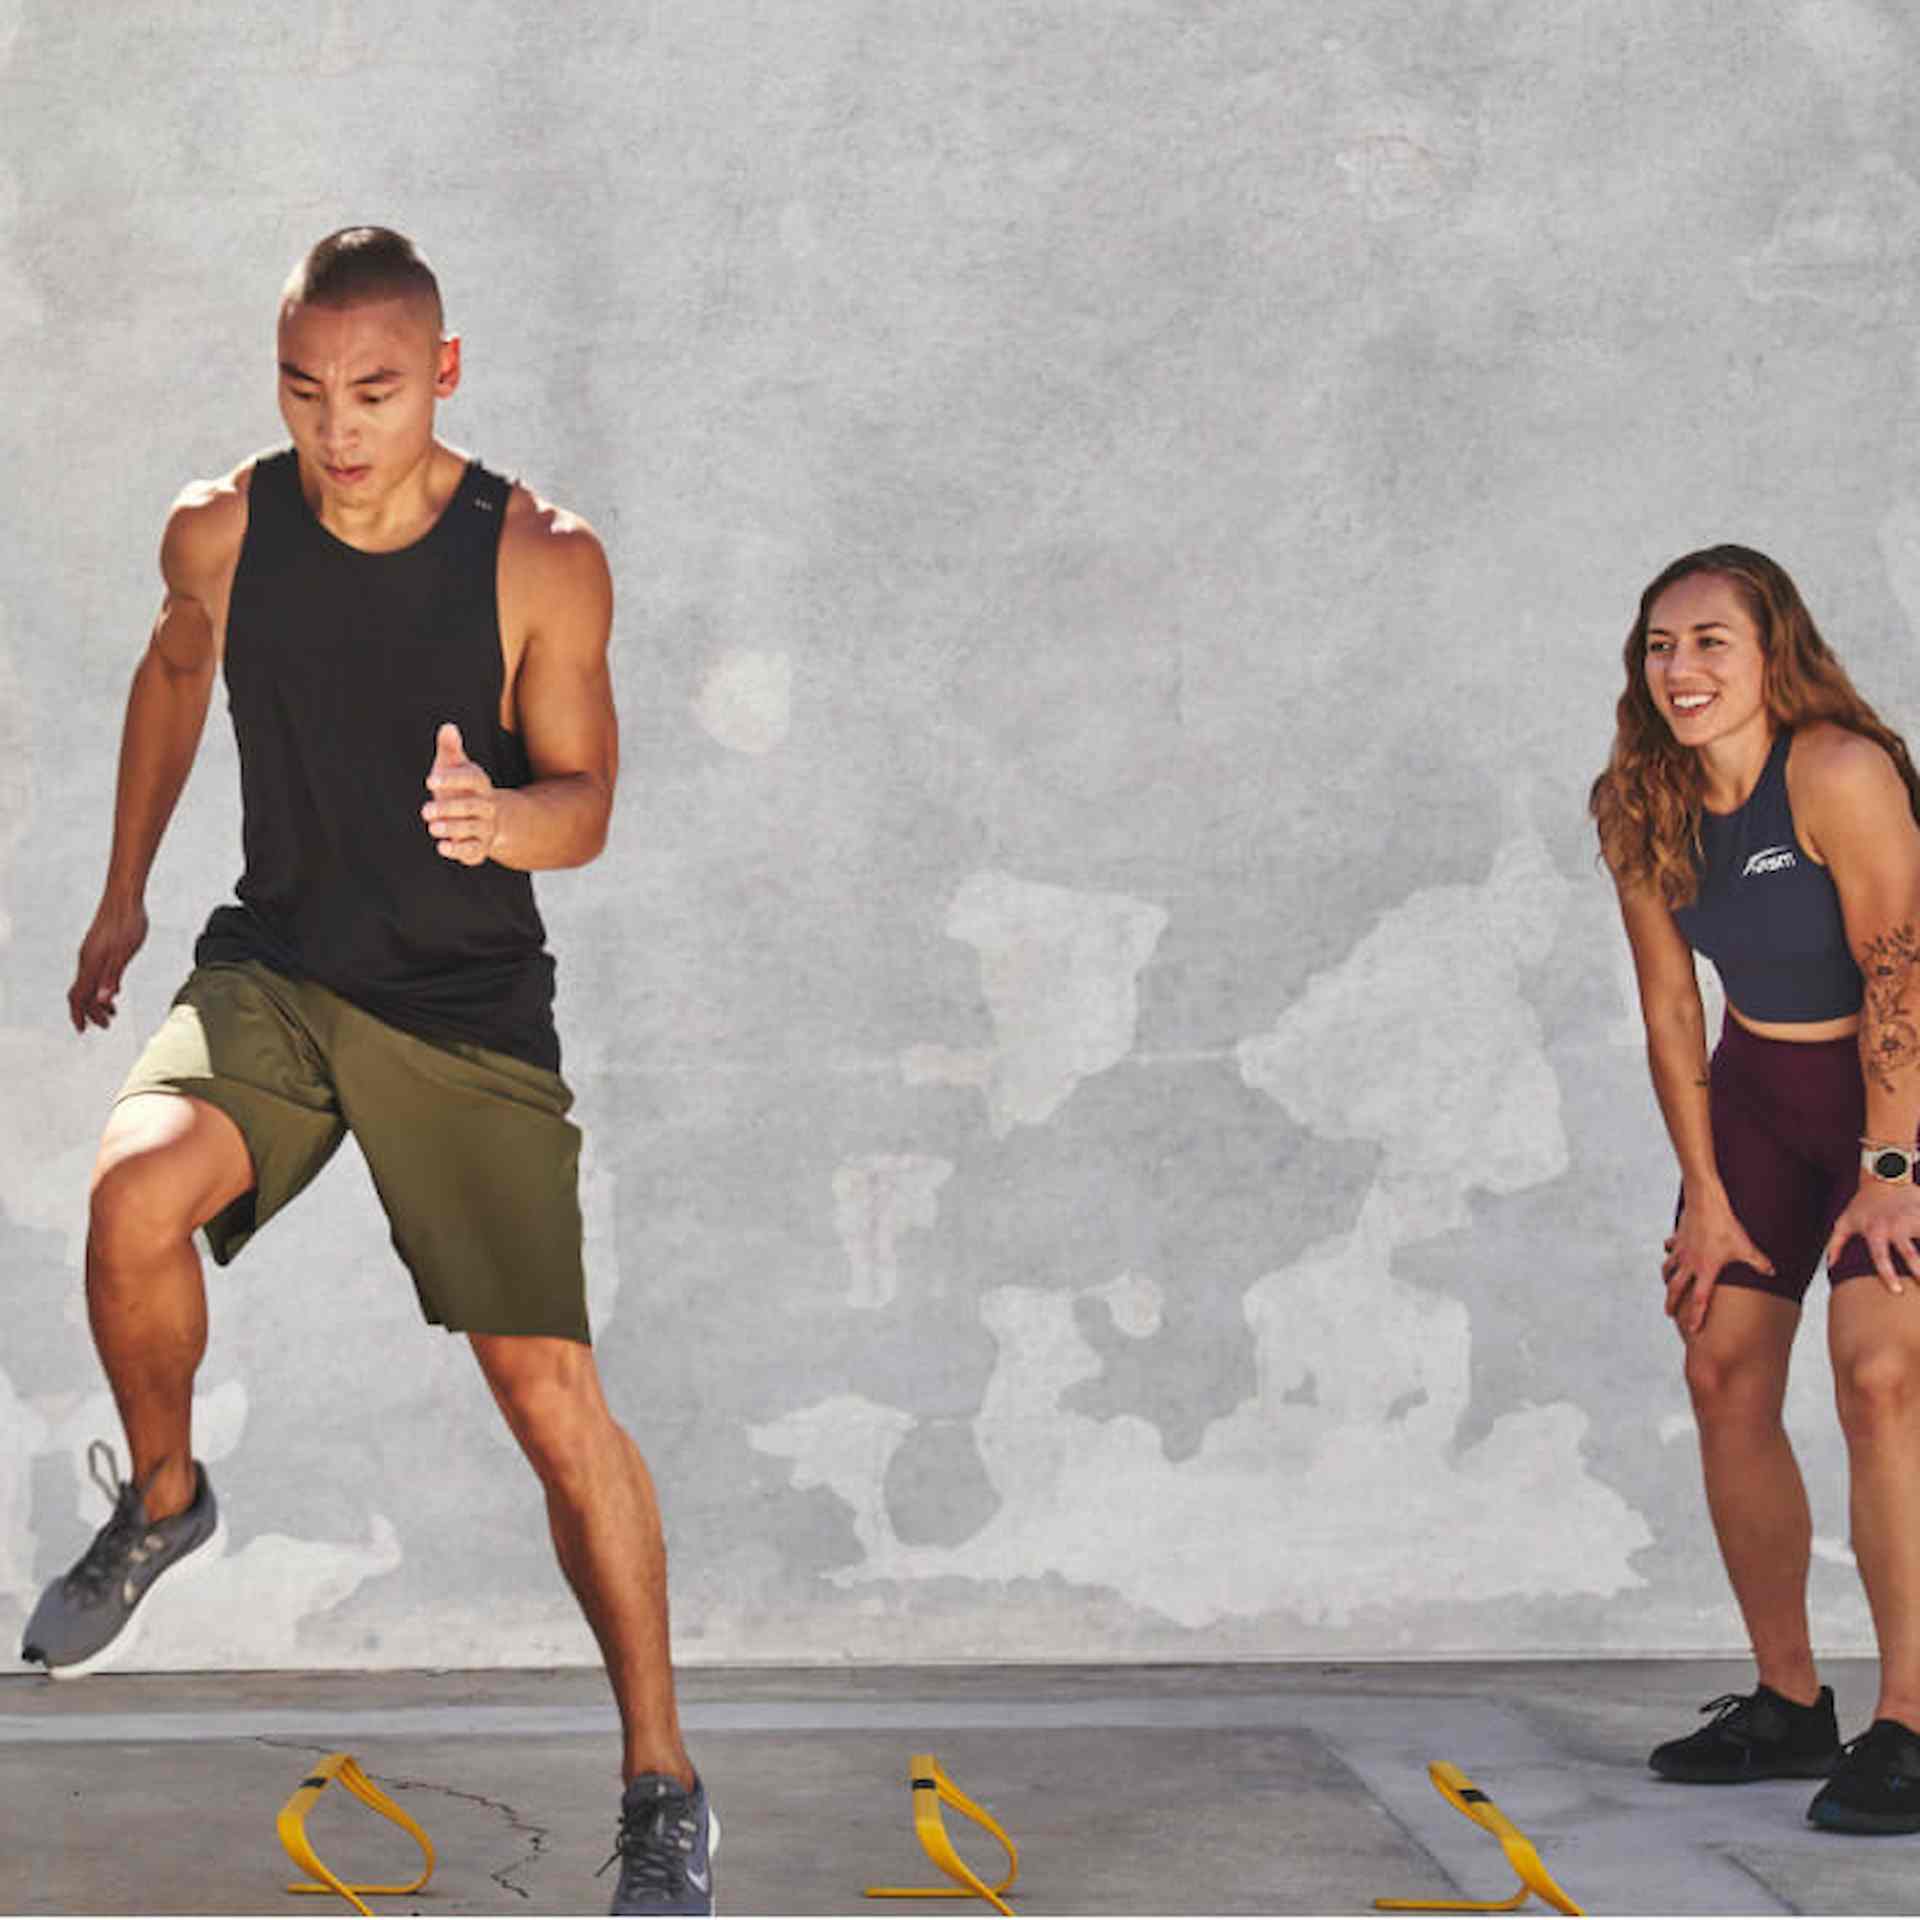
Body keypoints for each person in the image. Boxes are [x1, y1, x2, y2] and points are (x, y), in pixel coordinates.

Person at [23, 226, 716, 1915]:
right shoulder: (221, 529)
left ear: (445, 376)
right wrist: (121, 895)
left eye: (379, 394)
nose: (341, 430)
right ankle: (167, 1502)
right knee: (129, 1199)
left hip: (464, 1010)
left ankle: (664, 1783)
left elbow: (592, 800)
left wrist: (506, 820)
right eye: (307, 391)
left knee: (555, 1411)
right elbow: (174, 675)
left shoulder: (542, 558)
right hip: (280, 969)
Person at [1594, 544, 1920, 1834]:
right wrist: (1707, 1192)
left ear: (1770, 647)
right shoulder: (1641, 799)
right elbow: (1673, 1009)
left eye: (1710, 641)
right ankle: (1792, 1704)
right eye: (1661, 646)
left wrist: (1893, 1168)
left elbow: (1902, 972)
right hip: (1760, 1103)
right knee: (1722, 1369)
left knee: (1883, 1376)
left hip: (1896, 1096)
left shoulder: (1838, 771)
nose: (1681, 670)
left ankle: (1912, 1722)